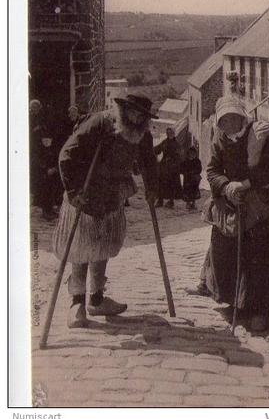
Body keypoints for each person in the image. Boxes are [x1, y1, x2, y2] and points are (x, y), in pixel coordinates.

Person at [53, 94, 158, 329]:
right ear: (122, 109)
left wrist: (153, 189)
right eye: (132, 111)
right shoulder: (101, 123)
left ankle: (96, 299)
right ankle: (76, 304)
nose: (137, 117)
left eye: (141, 115)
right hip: (85, 191)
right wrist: (73, 190)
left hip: (112, 195)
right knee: (81, 248)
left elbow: (149, 162)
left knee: (104, 246)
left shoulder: (142, 134)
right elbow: (67, 154)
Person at [199, 95, 269, 332]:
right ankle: (234, 303)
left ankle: (259, 308)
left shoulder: (258, 136)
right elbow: (212, 170)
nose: (230, 124)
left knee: (260, 252)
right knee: (224, 244)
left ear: (242, 116)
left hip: (260, 197)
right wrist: (225, 186)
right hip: (232, 198)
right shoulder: (220, 139)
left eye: (234, 118)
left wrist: (244, 184)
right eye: (225, 120)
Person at [36, 128, 63, 220]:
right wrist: (45, 169)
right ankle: (45, 211)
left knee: (51, 191)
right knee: (45, 192)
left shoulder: (52, 149)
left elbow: (55, 159)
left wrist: (54, 168)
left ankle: (50, 210)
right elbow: (38, 161)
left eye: (49, 140)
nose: (47, 142)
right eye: (45, 140)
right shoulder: (40, 149)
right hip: (44, 175)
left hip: (52, 174)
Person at [154, 127, 182, 208]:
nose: (169, 134)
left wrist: (175, 163)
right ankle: (160, 200)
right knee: (161, 182)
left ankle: (171, 201)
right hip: (164, 166)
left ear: (174, 133)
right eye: (168, 133)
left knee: (171, 183)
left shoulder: (177, 144)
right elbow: (157, 149)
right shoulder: (164, 142)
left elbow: (179, 156)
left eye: (171, 133)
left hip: (173, 167)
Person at [29, 99, 45, 206]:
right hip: (31, 147)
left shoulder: (41, 117)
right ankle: (33, 196)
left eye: (37, 107)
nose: (36, 109)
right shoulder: (28, 118)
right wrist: (34, 130)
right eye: (34, 107)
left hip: (40, 147)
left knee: (39, 172)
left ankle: (38, 198)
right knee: (33, 172)